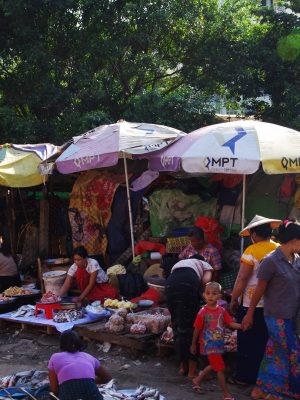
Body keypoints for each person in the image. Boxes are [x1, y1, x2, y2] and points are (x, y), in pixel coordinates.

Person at [242, 219, 300, 400]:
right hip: (276, 317)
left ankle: (260, 389)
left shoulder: (297, 260)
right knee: (291, 353)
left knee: (274, 353)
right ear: (294, 240)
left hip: (292, 316)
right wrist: (249, 314)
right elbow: (258, 291)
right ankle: (282, 392)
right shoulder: (271, 261)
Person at [229, 215, 281, 386]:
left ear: (254, 235)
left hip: (251, 304)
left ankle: (244, 377)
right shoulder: (280, 249)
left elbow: (242, 278)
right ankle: (263, 377)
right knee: (266, 341)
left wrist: (234, 299)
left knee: (247, 342)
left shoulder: (252, 251)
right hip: (274, 304)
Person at [190, 282, 241, 400]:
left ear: (219, 296)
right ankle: (226, 394)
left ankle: (197, 380)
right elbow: (197, 329)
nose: (210, 296)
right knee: (220, 369)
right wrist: (193, 344)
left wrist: (241, 326)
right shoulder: (202, 312)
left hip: (218, 344)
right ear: (204, 295)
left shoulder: (222, 311)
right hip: (208, 345)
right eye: (208, 293)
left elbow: (230, 323)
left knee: (215, 365)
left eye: (214, 293)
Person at [165, 254, 213, 379]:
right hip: (188, 283)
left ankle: (182, 366)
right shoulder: (204, 264)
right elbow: (206, 281)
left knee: (178, 325)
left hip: (170, 283)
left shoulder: (181, 263)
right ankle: (192, 371)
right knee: (192, 327)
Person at [48, 329, 112, 400]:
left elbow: (54, 389)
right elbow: (107, 378)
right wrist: (89, 381)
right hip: (92, 392)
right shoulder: (88, 357)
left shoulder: (55, 357)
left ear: (61, 344)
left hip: (68, 393)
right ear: (79, 342)